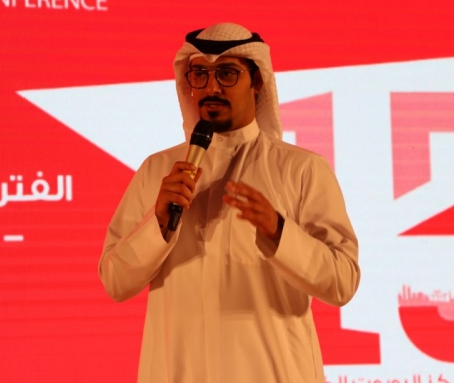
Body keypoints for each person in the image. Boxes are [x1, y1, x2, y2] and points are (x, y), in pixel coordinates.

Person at [99, 22, 360, 383]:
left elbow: (343, 282)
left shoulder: (301, 169)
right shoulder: (158, 170)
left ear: (257, 82)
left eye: (226, 73)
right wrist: (157, 223)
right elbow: (115, 281)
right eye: (200, 75)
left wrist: (279, 231)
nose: (211, 88)